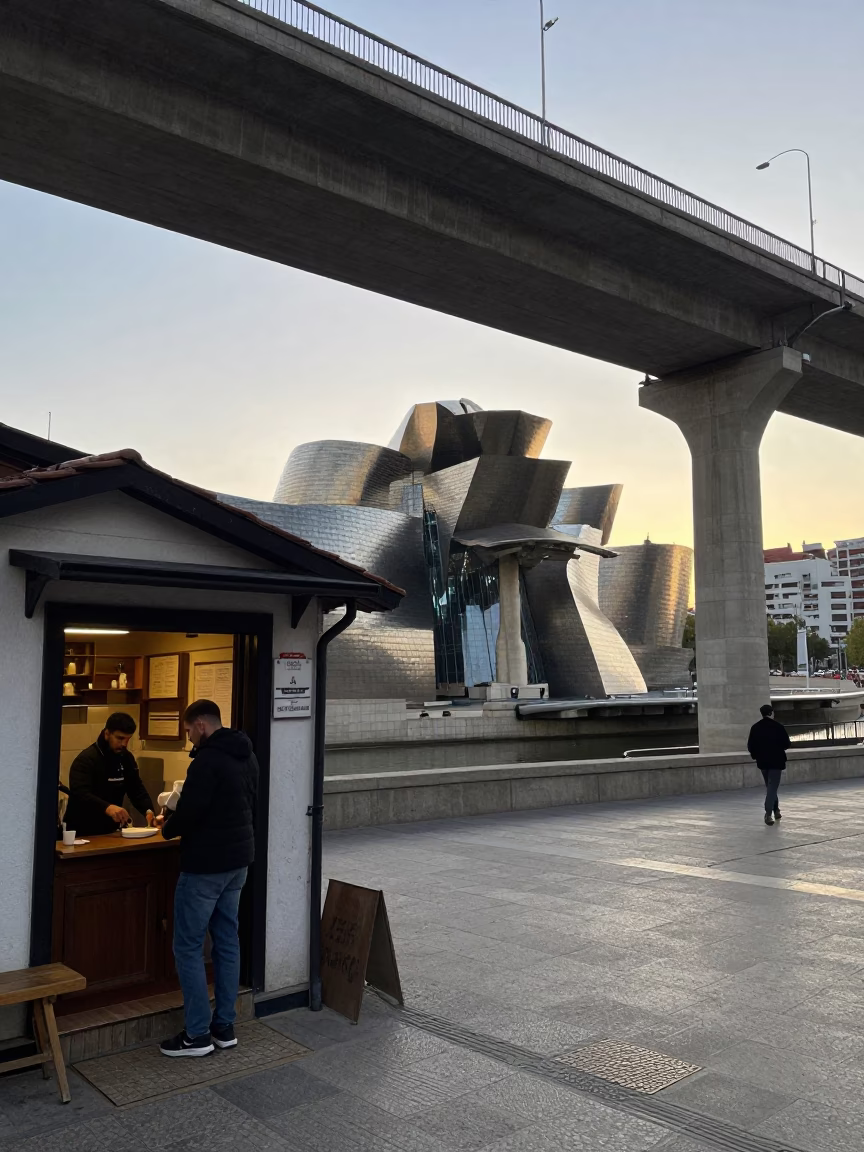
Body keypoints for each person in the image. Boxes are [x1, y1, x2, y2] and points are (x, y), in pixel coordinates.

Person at [159, 699, 258, 1058]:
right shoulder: (247, 755)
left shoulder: (206, 762)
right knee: (227, 942)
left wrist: (167, 829)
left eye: (188, 730)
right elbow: (251, 802)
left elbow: (190, 812)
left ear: (201, 724)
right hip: (238, 863)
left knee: (187, 947)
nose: (188, 737)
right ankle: (224, 1026)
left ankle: (197, 1035)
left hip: (205, 866)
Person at [64, 712, 155, 836]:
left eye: (128, 739)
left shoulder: (126, 758)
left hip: (111, 830)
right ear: (107, 734)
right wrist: (107, 807)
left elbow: (136, 788)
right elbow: (80, 794)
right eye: (120, 738)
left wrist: (148, 811)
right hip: (81, 830)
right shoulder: (86, 760)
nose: (124, 744)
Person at [747, 703, 791, 826]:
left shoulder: (755, 727)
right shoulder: (778, 727)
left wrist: (756, 756)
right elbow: (787, 744)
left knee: (770, 787)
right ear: (771, 713)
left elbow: (751, 746)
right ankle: (768, 814)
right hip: (776, 762)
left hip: (763, 762)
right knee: (772, 788)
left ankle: (776, 810)